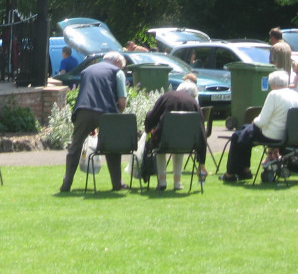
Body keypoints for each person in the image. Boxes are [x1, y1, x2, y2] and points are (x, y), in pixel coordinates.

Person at [60, 51, 128, 192]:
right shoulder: (117, 72)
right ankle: (117, 184)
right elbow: (122, 102)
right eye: (121, 66)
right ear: (117, 63)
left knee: (75, 147)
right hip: (107, 112)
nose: (121, 69)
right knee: (112, 148)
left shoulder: (86, 71)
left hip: (84, 110)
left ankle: (66, 183)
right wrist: (117, 115)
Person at [222, 70, 298, 182]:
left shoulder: (274, 95)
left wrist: (254, 121)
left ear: (273, 84)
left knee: (237, 136)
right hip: (286, 133)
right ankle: (245, 171)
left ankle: (231, 173)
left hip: (272, 135)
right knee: (245, 131)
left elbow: (262, 121)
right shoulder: (294, 94)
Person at [144, 78, 208, 191]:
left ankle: (162, 181)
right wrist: (201, 163)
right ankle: (177, 182)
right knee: (179, 147)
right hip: (187, 143)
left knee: (159, 148)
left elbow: (151, 117)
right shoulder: (194, 104)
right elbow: (202, 133)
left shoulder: (166, 97)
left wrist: (148, 129)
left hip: (164, 141)